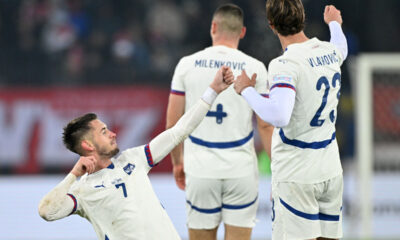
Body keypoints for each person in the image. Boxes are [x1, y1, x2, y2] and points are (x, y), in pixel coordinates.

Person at [38, 66, 234, 240]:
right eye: (104, 132)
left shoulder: (134, 159)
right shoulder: (82, 191)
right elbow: (47, 211)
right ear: (88, 144)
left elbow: (179, 131)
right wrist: (73, 176)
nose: (113, 134)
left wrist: (213, 91)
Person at [234, 1, 348, 240]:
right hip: (330, 169)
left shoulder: (284, 64)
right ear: (303, 17)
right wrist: (335, 24)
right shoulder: (329, 51)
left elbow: (279, 115)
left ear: (272, 26)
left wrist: (246, 90)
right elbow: (341, 47)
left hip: (297, 174)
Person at [166, 4, 273, 240]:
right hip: (241, 170)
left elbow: (173, 124)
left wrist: (177, 162)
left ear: (213, 27)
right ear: (242, 32)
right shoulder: (255, 67)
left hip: (200, 168)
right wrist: (277, 168)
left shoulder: (187, 64)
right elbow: (265, 124)